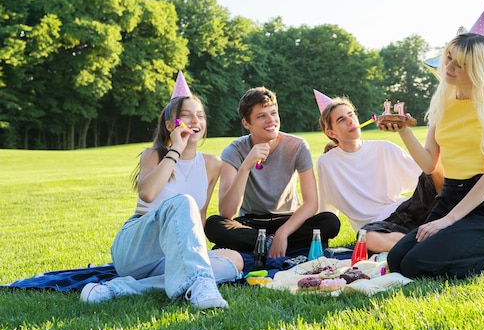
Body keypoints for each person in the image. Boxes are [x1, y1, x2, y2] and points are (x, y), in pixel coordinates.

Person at [385, 32, 484, 279]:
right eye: (449, 57)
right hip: (447, 199)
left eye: (460, 64)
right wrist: (403, 130)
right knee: (397, 259)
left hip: (482, 207)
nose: (449, 67)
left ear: (478, 69)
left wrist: (449, 220)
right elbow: (428, 162)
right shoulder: (443, 100)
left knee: (415, 264)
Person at [80, 84, 243, 309]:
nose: (196, 121)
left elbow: (200, 217)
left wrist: (196, 256)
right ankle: (201, 284)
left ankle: (117, 289)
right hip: (137, 247)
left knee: (234, 260)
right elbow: (147, 194)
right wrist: (175, 149)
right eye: (187, 116)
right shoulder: (154, 155)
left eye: (200, 116)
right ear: (170, 125)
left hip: (171, 254)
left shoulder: (212, 164)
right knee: (184, 202)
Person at [204, 87, 341, 258]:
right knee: (214, 225)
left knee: (330, 221)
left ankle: (263, 245)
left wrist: (283, 233)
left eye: (273, 113)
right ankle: (271, 244)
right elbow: (227, 212)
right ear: (247, 123)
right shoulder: (234, 151)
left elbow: (311, 203)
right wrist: (246, 165)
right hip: (252, 223)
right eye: (262, 116)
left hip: (289, 220)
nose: (271, 120)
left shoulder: (297, 146)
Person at [316, 96, 445, 253]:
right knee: (367, 238)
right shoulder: (326, 163)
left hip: (408, 209)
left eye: (351, 114)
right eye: (342, 119)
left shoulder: (384, 148)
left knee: (436, 171)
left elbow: (426, 175)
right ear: (331, 132)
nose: (350, 121)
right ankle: (429, 245)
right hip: (378, 226)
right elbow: (327, 209)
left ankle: (434, 233)